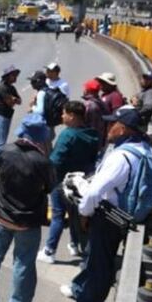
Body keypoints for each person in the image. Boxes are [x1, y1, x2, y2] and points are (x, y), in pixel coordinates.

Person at [56, 108, 152, 302]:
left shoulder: (120, 157)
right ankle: (79, 288)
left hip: (108, 216)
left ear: (122, 129)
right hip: (123, 215)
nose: (108, 128)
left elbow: (94, 192)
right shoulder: (145, 148)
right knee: (97, 258)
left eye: (112, 124)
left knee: (99, 264)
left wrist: (84, 213)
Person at [0, 114, 55, 302]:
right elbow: (50, 187)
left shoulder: (6, 151)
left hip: (0, 216)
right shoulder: (43, 162)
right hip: (27, 222)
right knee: (23, 265)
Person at [39, 101, 101, 263]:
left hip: (62, 182)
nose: (62, 116)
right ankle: (74, 245)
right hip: (82, 183)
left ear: (72, 116)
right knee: (74, 214)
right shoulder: (93, 134)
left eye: (64, 113)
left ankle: (49, 251)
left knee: (58, 215)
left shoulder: (68, 135)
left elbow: (55, 161)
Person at [0, 66, 22, 164]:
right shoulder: (3, 87)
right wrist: (13, 99)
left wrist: (14, 99)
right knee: (1, 142)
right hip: (1, 116)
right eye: (13, 75)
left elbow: (19, 101)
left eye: (16, 75)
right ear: (7, 76)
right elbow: (10, 102)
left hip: (6, 115)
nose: (15, 77)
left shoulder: (11, 88)